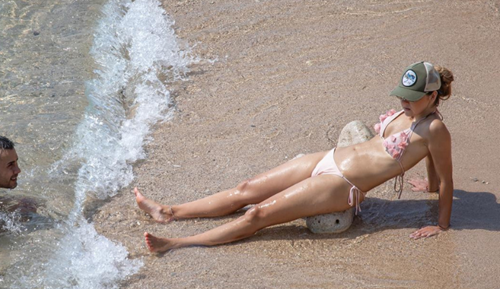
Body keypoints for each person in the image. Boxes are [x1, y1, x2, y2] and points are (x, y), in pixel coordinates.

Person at [135, 62, 455, 253]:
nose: (404, 102)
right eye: (402, 95)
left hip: (341, 185)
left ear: (431, 96)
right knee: (246, 189)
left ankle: (177, 243)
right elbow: (433, 171)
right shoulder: (412, 114)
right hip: (327, 158)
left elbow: (447, 177)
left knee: (256, 216)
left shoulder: (436, 130)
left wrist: (441, 225)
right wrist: (428, 185)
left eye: (411, 98)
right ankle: (169, 211)